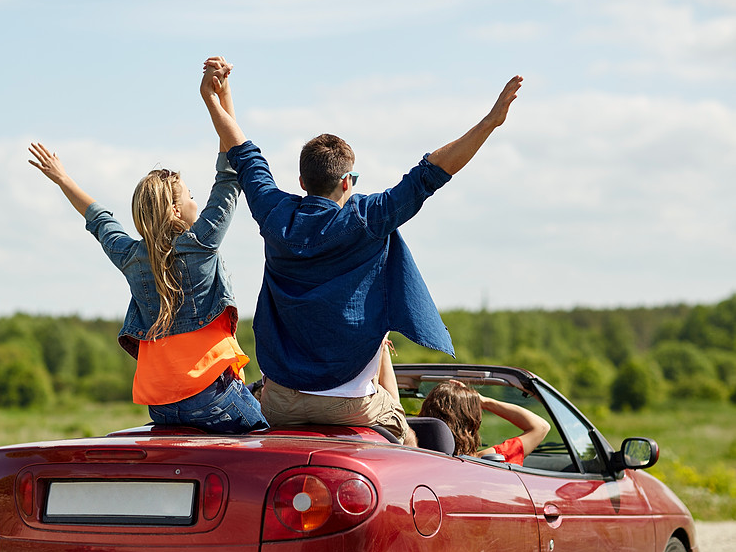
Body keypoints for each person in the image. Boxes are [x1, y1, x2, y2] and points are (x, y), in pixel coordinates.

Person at [200, 55, 522, 445]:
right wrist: (489, 122)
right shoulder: (368, 218)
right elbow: (431, 173)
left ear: (302, 180)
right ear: (346, 182)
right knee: (414, 439)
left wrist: (217, 98)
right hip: (351, 404)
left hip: (281, 401)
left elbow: (243, 154)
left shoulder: (274, 213)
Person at [27, 67, 268, 434]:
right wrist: (220, 98)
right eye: (189, 196)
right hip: (211, 396)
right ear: (175, 210)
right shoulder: (202, 243)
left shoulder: (131, 257)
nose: (195, 201)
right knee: (268, 439)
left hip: (162, 407)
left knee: (255, 394)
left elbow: (99, 219)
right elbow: (231, 169)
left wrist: (62, 178)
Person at [419, 380, 550, 463]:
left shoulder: (412, 454)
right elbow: (541, 427)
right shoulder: (487, 461)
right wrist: (484, 401)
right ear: (471, 423)